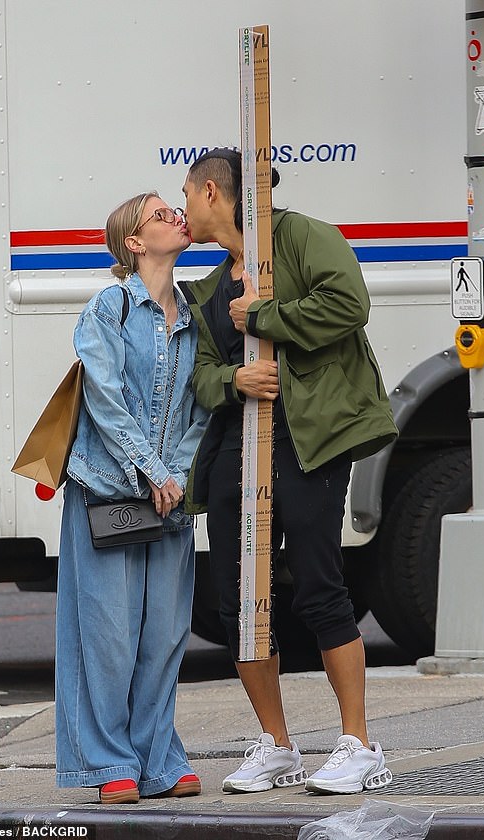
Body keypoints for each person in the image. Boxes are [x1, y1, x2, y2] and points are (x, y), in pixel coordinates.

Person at [179, 148, 398, 795]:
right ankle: (277, 747)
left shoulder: (302, 237)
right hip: (234, 449)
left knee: (319, 586)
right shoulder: (213, 286)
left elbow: (348, 304)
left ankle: (358, 744)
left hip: (310, 441)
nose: (185, 205)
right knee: (237, 602)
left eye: (187, 193)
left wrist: (267, 317)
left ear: (213, 194)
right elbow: (201, 375)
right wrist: (234, 377)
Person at [55, 192, 207, 804]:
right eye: (160, 213)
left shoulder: (196, 312)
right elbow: (104, 397)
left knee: (165, 635)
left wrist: (176, 472)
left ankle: (157, 759)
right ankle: (107, 762)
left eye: (176, 208)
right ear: (134, 244)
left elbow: (202, 404)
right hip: (111, 492)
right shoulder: (108, 309)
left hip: (169, 495)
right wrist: (151, 470)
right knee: (108, 634)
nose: (176, 215)